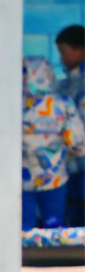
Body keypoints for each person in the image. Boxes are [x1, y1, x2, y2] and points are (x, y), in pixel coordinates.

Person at [22, 56, 85, 233]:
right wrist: (78, 151)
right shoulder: (62, 102)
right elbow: (76, 139)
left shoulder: (13, 104)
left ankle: (23, 254)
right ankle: (53, 253)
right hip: (55, 175)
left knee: (23, 221)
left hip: (22, 176)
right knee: (54, 220)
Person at [54, 25, 85, 227]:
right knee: (73, 205)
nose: (61, 59)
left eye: (64, 52)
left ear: (80, 50)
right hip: (71, 162)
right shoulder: (65, 83)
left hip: (80, 158)